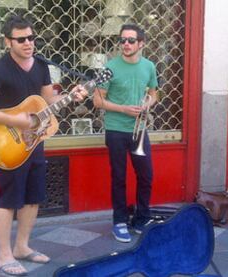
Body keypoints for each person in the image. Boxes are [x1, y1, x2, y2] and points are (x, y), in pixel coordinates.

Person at [0, 15, 86, 276]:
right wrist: (14, 120)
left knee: (33, 198)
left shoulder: (42, 66)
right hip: (6, 142)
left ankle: (22, 247)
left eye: (31, 38)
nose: (28, 43)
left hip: (34, 142)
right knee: (8, 199)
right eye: (21, 39)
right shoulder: (0, 69)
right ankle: (4, 255)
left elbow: (48, 102)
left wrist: (72, 96)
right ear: (7, 41)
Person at [93, 24, 158, 243]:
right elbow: (97, 100)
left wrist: (148, 103)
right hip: (116, 129)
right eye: (122, 40)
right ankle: (119, 221)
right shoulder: (110, 67)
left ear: (141, 43)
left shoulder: (149, 66)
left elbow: (153, 93)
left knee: (146, 175)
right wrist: (123, 109)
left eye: (131, 40)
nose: (126, 44)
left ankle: (141, 218)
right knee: (119, 177)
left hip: (139, 129)